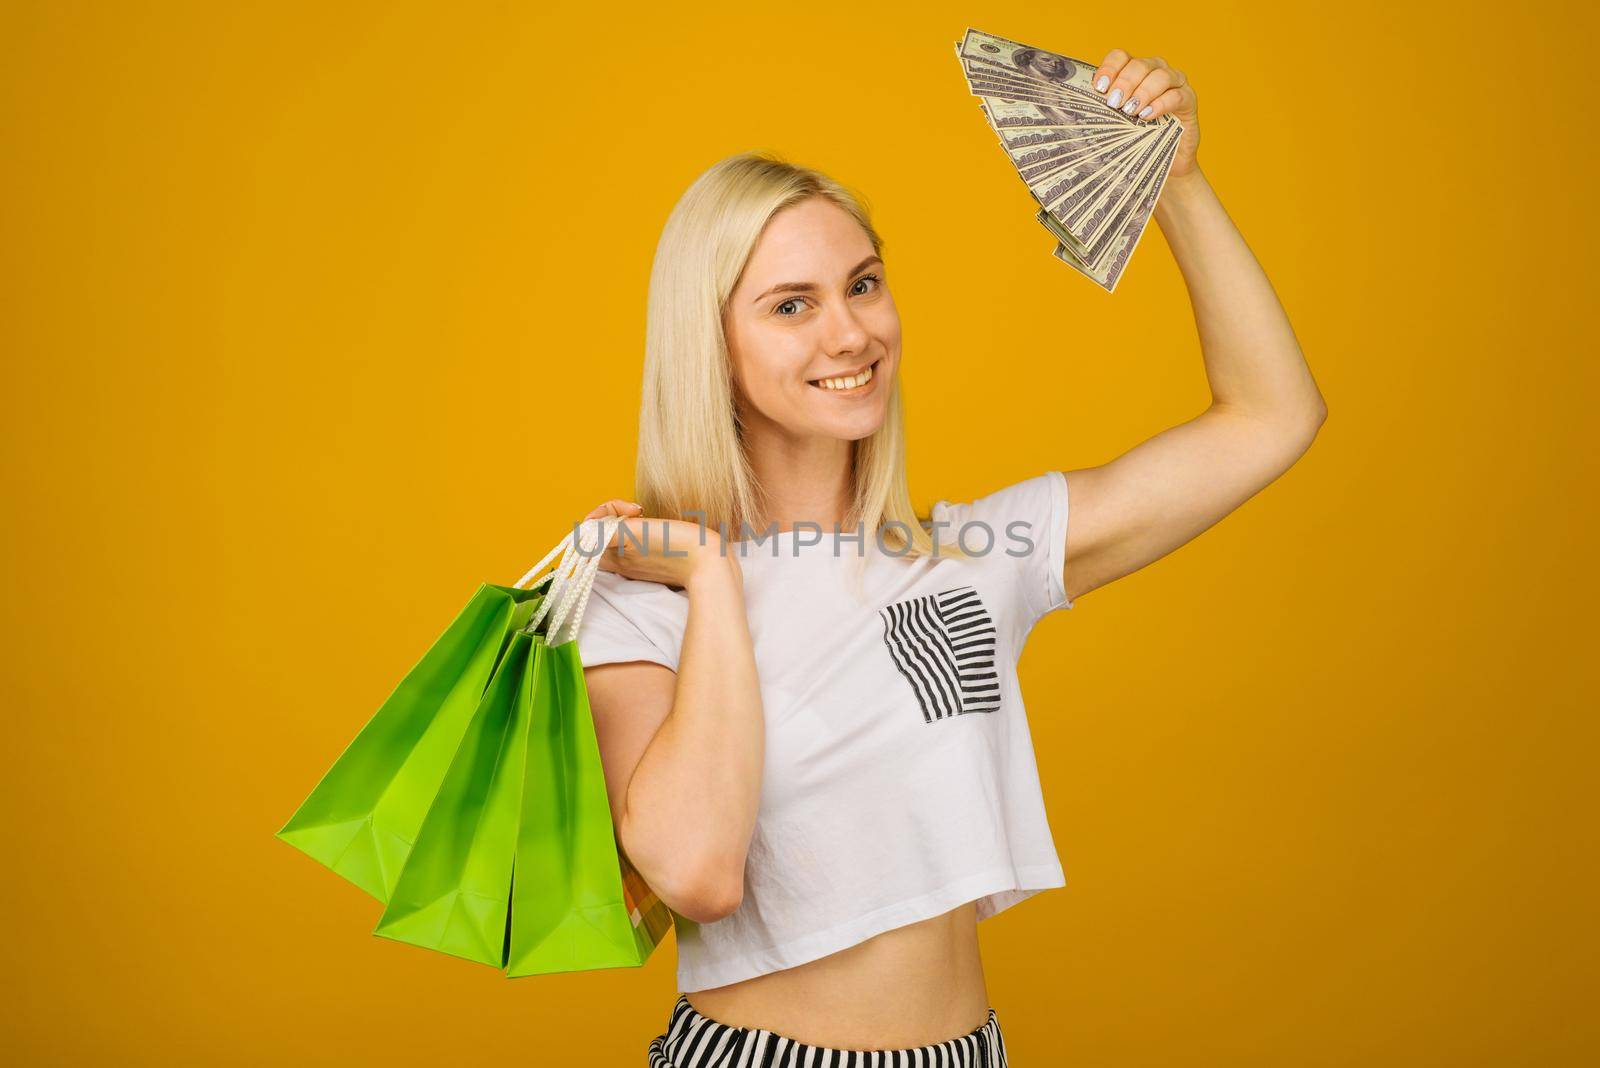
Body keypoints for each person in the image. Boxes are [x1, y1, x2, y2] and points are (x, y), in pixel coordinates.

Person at [573, 48, 1327, 1066]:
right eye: (791, 305)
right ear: (712, 346)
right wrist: (710, 578)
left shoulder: (973, 556)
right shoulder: (641, 597)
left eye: (863, 285)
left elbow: (1270, 418)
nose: (849, 333)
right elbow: (697, 876)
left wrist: (1176, 183)